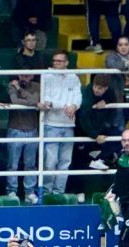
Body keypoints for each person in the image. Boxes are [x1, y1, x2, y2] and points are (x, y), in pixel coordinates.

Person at [39, 51, 82, 198]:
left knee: (65, 161)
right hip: (51, 124)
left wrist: (74, 106)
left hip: (69, 125)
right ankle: (46, 192)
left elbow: (78, 95)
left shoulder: (73, 77)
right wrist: (65, 106)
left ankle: (59, 192)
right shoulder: (46, 76)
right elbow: (46, 99)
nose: (56, 63)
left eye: (60, 61)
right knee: (50, 162)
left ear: (66, 62)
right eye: (55, 61)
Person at [76, 74, 123, 173]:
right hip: (83, 130)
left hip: (100, 126)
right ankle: (96, 159)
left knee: (120, 137)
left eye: (100, 88)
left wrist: (105, 100)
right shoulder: (86, 95)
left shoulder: (109, 92)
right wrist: (95, 135)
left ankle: (99, 159)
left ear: (106, 88)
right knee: (79, 158)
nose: (96, 89)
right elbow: (83, 119)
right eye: (95, 86)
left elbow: (113, 99)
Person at [7, 71, 42, 203]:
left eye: (26, 76)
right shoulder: (11, 85)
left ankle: (29, 192)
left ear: (32, 76)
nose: (23, 78)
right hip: (15, 129)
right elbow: (14, 100)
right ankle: (11, 191)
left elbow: (34, 100)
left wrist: (19, 89)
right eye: (21, 75)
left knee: (30, 164)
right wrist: (33, 102)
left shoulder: (37, 86)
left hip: (32, 130)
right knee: (12, 164)